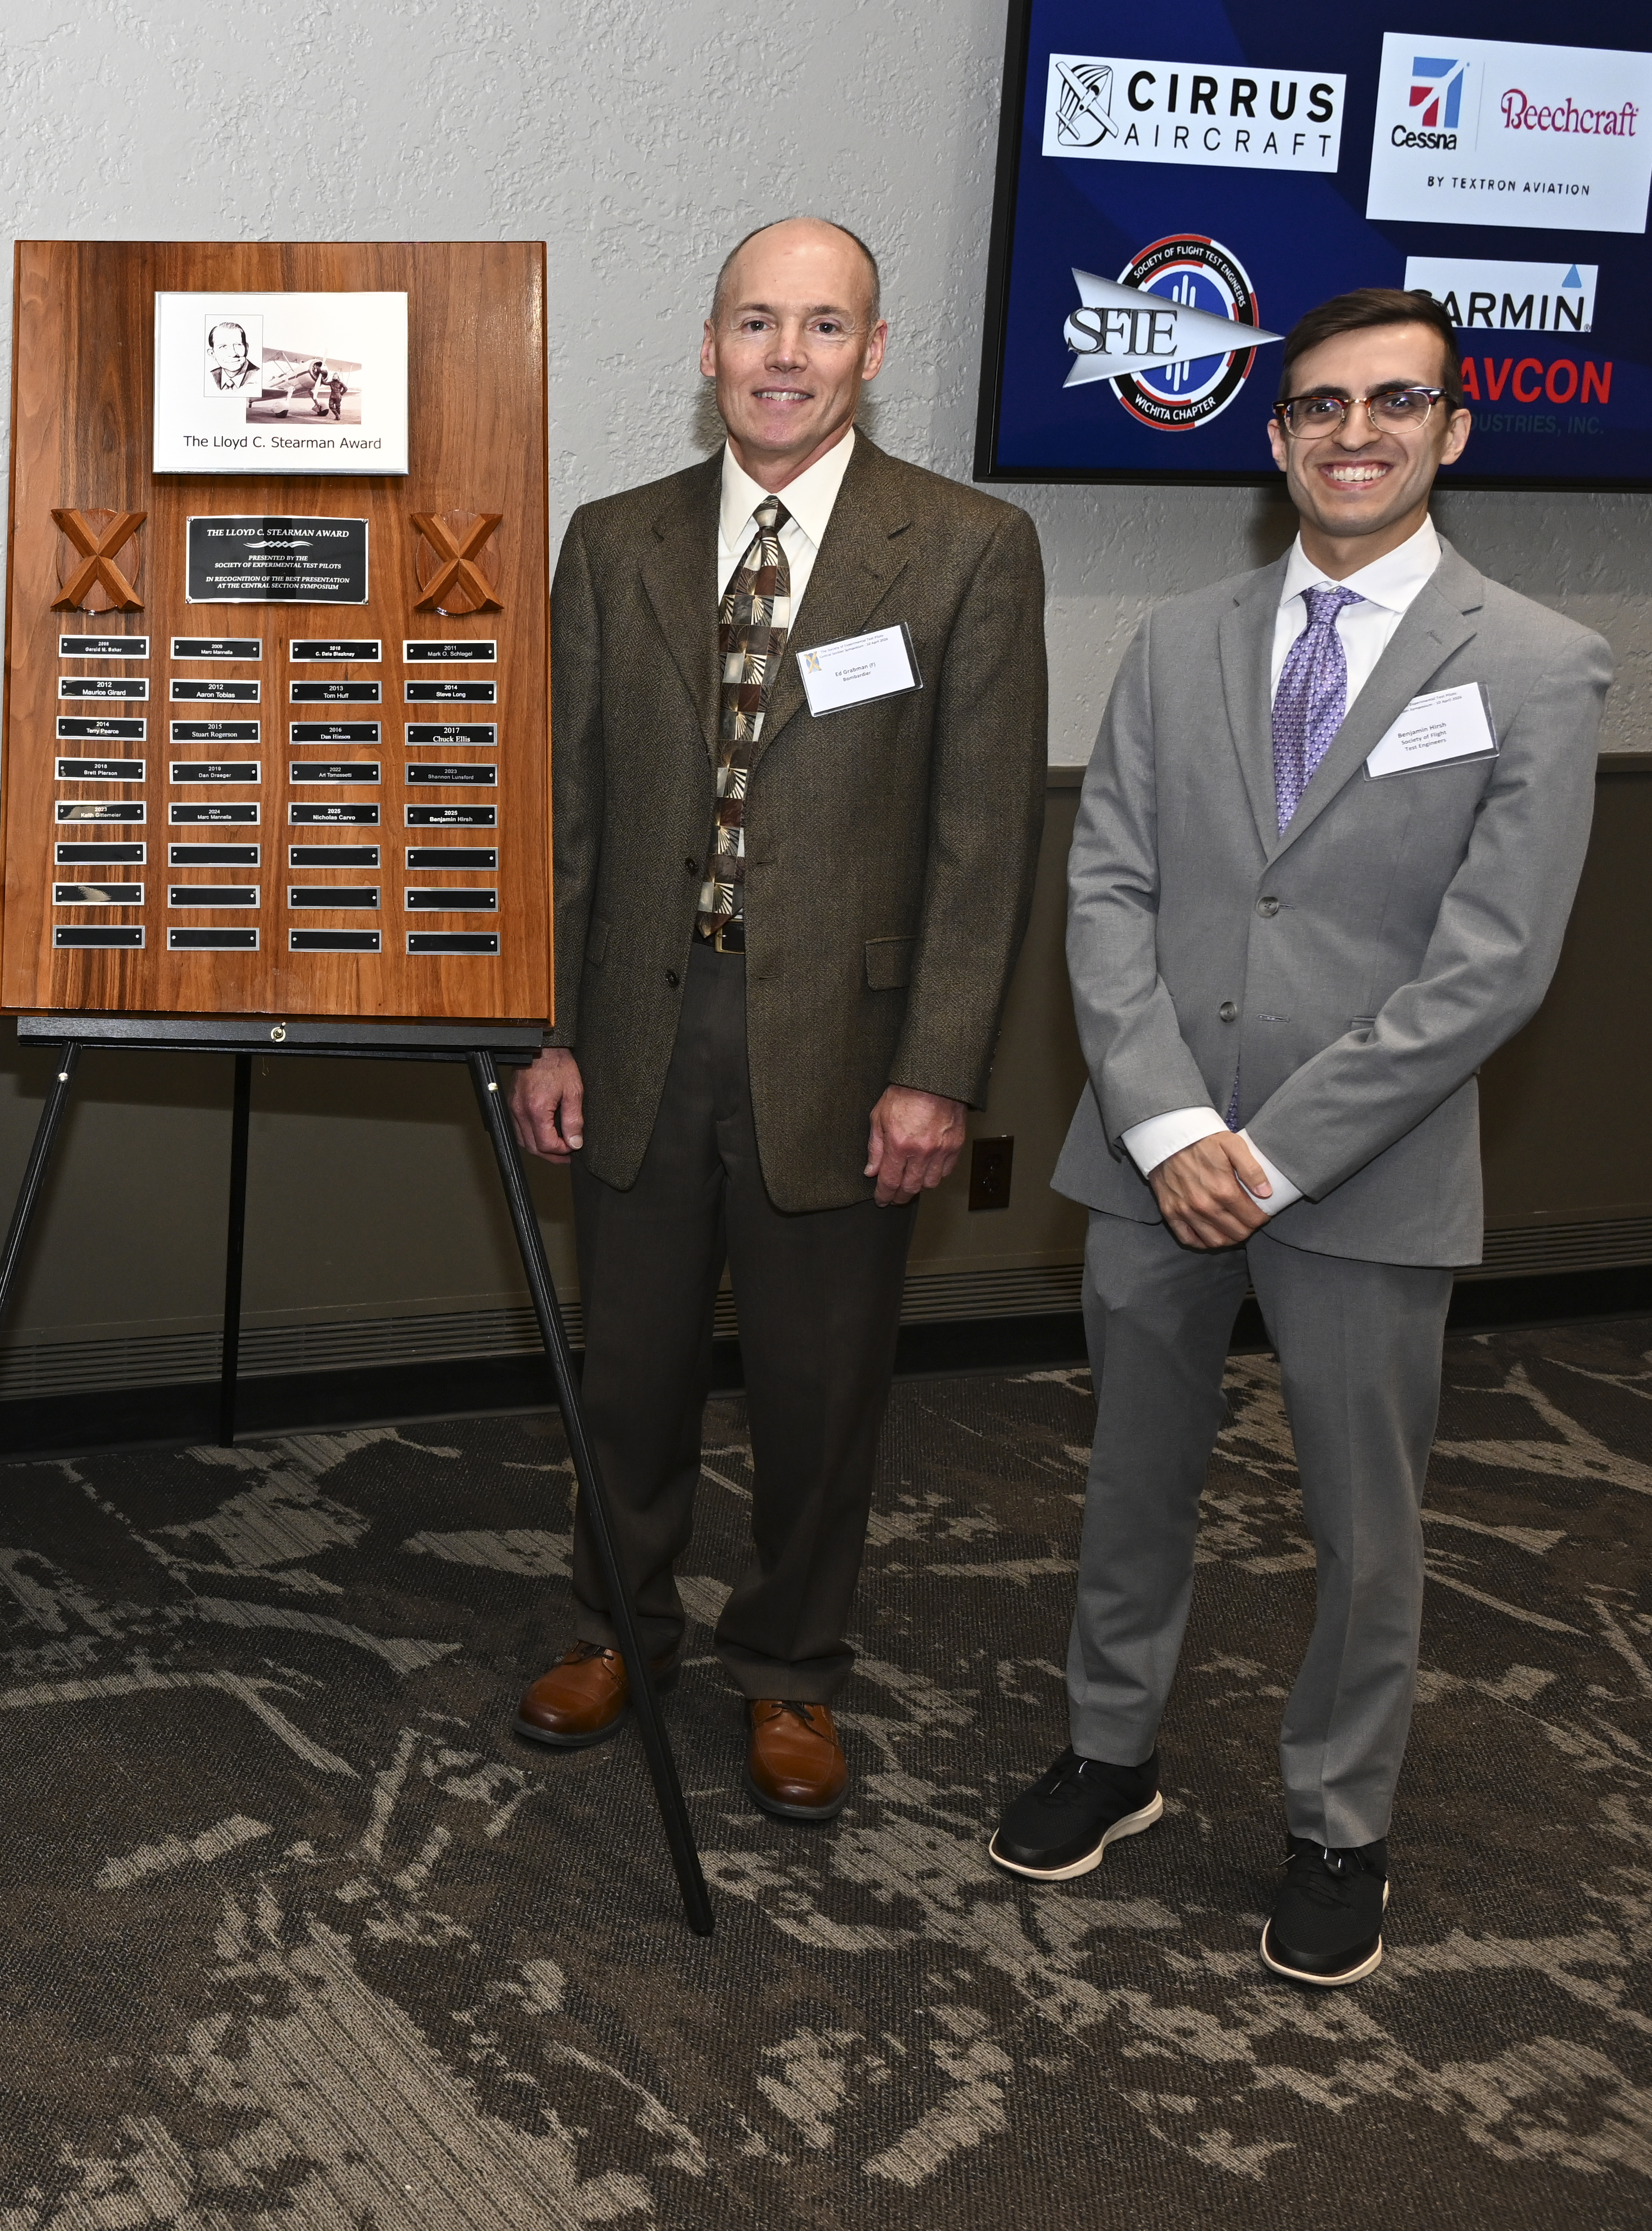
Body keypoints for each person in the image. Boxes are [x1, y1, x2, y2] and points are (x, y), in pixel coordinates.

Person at [990, 289, 1608, 1986]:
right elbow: (1104, 885)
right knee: (1130, 1481)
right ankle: (1109, 1754)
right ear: (1272, 440)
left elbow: (1493, 969)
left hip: (1365, 1170)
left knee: (1365, 1522)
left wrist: (1267, 1151)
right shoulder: (1177, 641)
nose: (1355, 433)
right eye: (1321, 406)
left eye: (1393, 404)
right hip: (1147, 1151)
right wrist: (1173, 1121)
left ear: (1450, 430)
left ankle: (1341, 1824)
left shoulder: (1538, 664)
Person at [509, 218, 1049, 1821]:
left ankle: (794, 1672)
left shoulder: (962, 548)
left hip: (841, 1049)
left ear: (872, 354)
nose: (785, 356)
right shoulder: (615, 544)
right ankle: (617, 1628)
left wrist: (935, 1072)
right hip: (635, 1034)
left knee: (820, 1389)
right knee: (631, 1375)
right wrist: (544, 1032)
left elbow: (980, 842)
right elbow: (564, 816)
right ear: (707, 346)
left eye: (822, 327)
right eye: (757, 322)